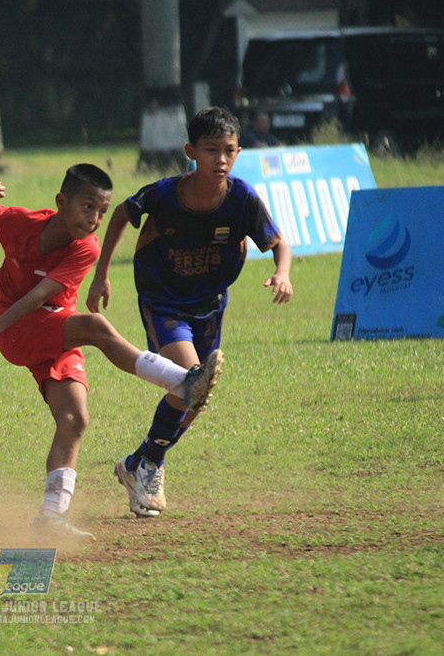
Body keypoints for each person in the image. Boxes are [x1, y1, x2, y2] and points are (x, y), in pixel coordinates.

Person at [0, 164, 222, 539]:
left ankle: (51, 516)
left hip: (57, 333)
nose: (94, 219)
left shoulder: (85, 247)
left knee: (75, 419)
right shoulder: (22, 223)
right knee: (94, 327)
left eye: (102, 212)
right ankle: (182, 383)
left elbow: (45, 297)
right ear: (61, 202)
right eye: (87, 207)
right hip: (15, 330)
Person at [87, 106, 292, 518]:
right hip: (163, 301)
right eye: (211, 149)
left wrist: (282, 273)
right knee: (191, 381)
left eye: (229, 151)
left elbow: (279, 243)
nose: (220, 159)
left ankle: (138, 463)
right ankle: (149, 466)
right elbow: (123, 215)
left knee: (196, 396)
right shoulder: (165, 194)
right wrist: (101, 274)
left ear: (237, 154)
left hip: (210, 305)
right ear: (191, 151)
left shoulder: (242, 198)